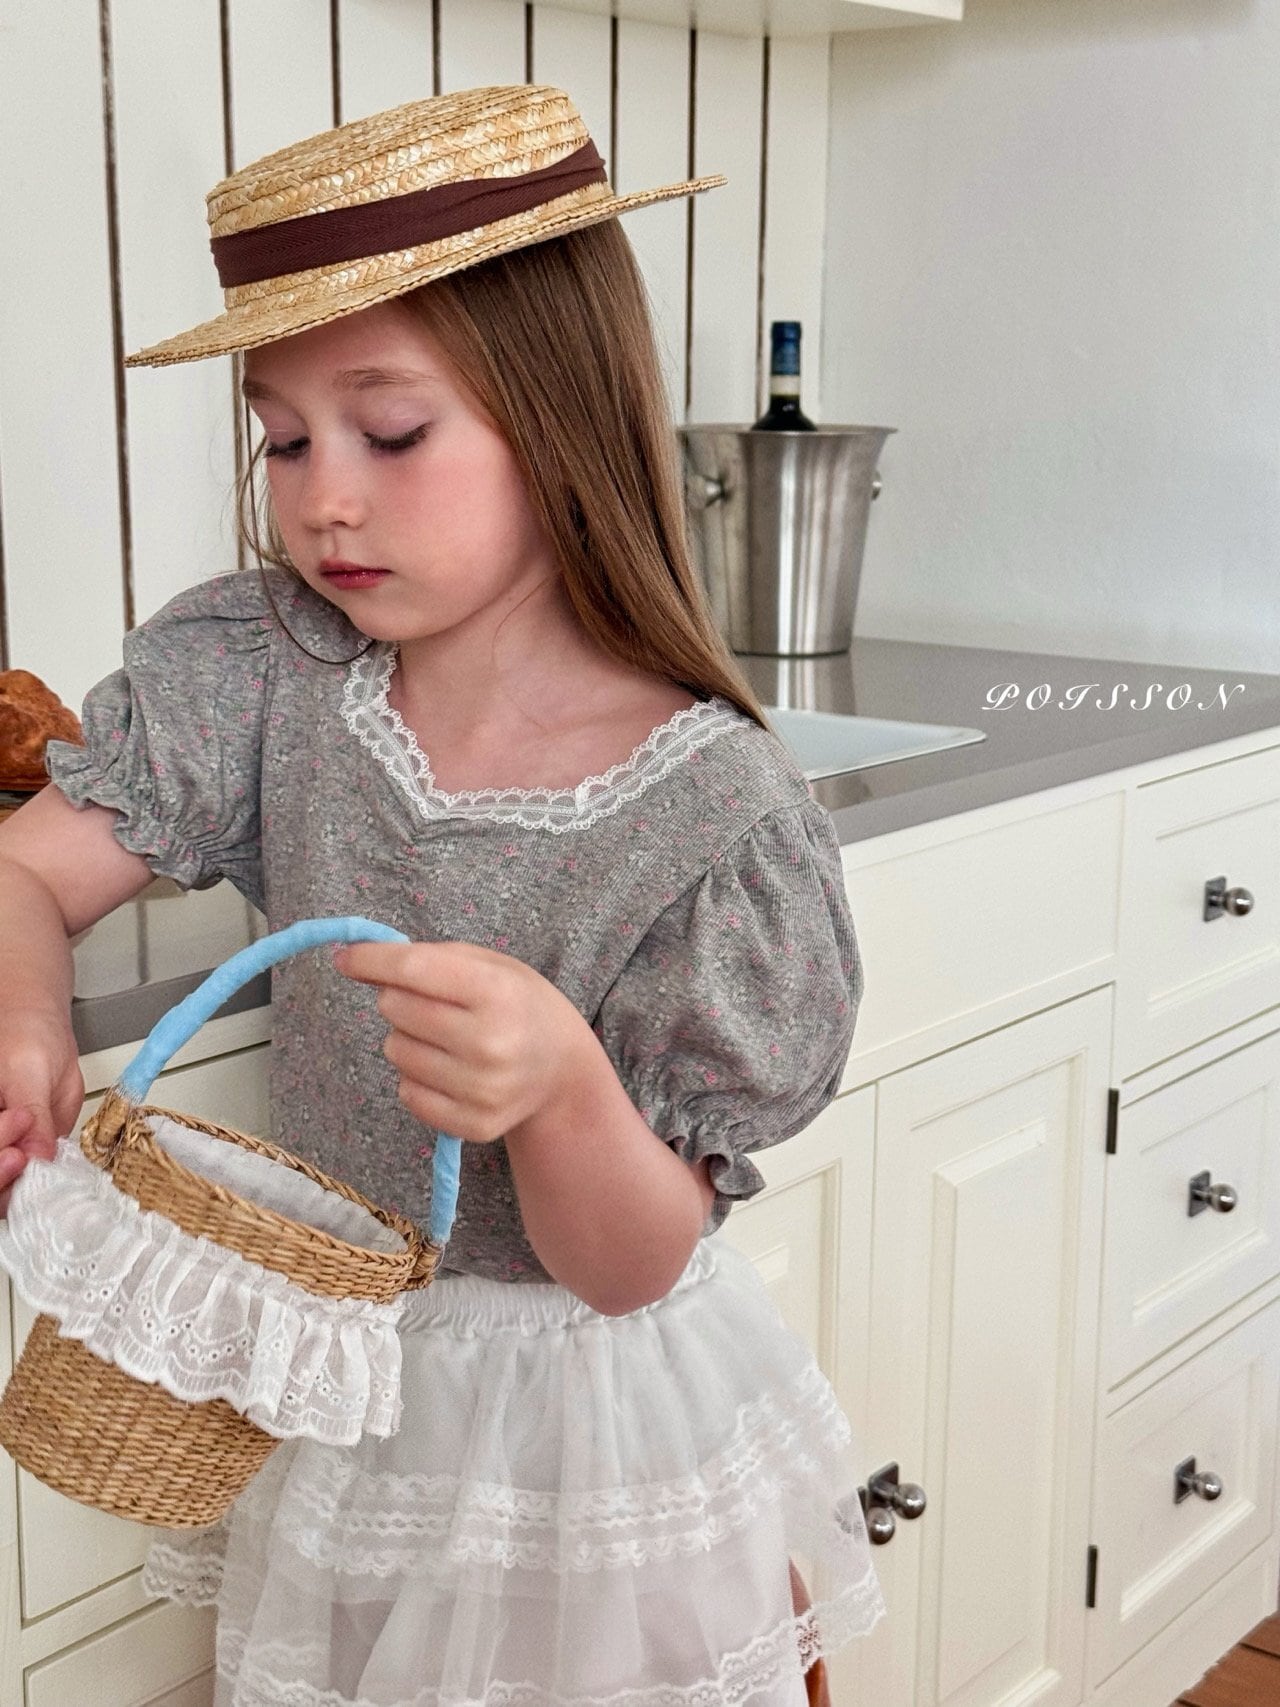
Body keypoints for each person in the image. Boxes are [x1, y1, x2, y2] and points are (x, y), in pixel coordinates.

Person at [0, 83, 886, 1707]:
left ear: (562, 416)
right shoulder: (272, 675)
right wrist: (27, 1024)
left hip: (582, 1436)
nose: (321, 496)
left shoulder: (711, 810)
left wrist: (560, 1089)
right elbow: (21, 874)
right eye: (283, 438)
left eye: (390, 432)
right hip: (345, 1399)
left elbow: (628, 1266)